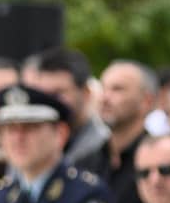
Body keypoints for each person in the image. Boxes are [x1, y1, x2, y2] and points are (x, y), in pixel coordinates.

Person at [24, 47, 111, 176]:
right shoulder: (26, 143)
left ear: (86, 93)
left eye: (58, 93)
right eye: (44, 94)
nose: (50, 101)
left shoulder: (105, 147)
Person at [98, 60, 157, 203]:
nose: (105, 98)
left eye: (117, 89)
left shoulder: (160, 165)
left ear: (146, 101)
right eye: (103, 89)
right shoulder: (88, 161)